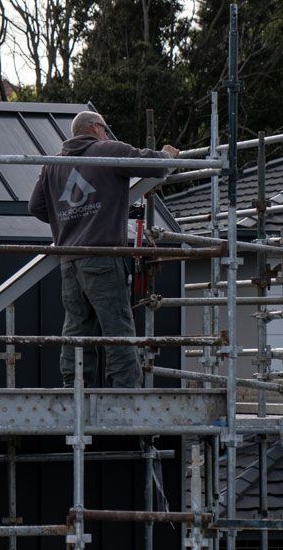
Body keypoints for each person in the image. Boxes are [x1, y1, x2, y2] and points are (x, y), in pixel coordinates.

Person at [28, 110, 179, 388]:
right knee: (117, 329)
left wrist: (69, 218)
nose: (108, 134)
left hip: (69, 260)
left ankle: (74, 390)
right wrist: (168, 156)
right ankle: (124, 398)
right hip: (102, 256)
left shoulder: (52, 164)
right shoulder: (107, 150)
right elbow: (154, 167)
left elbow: (35, 206)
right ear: (96, 128)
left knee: (76, 329)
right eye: (106, 129)